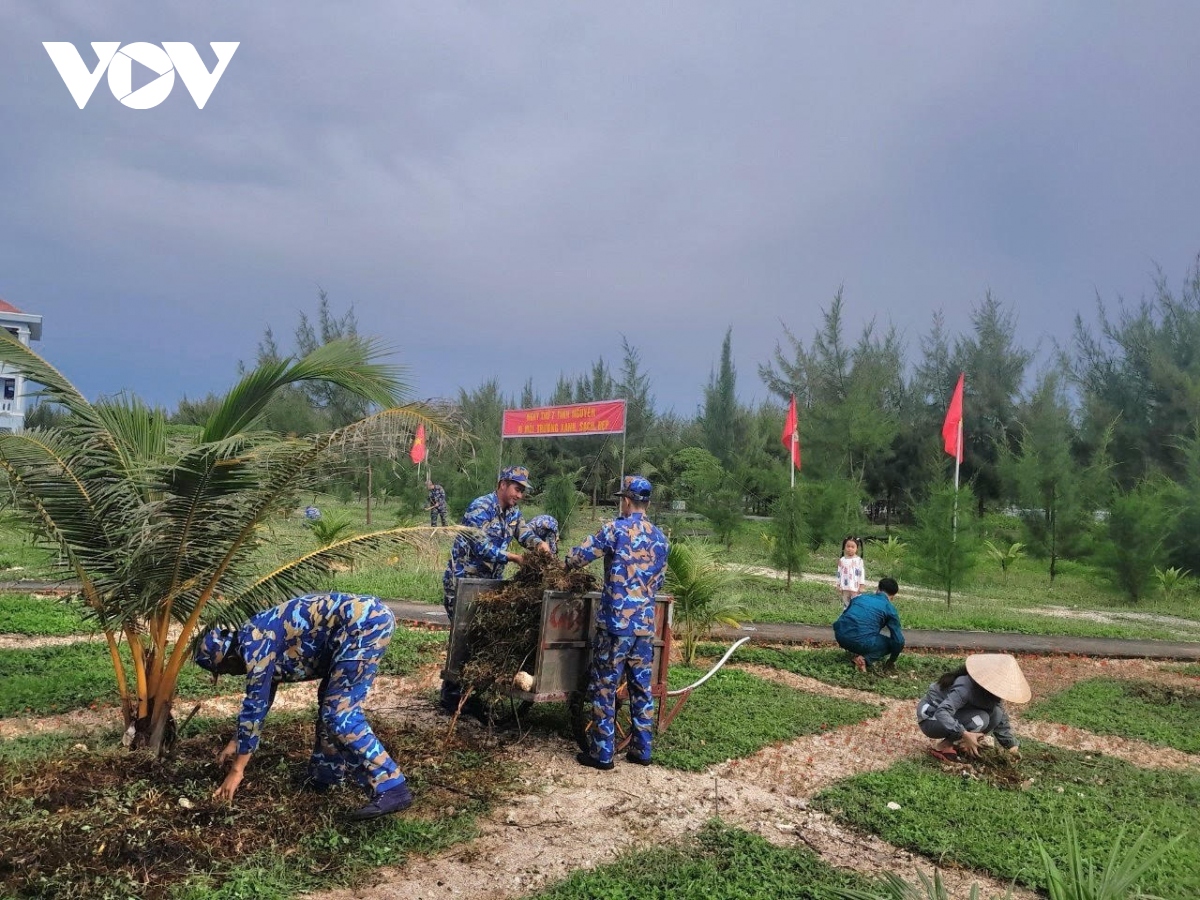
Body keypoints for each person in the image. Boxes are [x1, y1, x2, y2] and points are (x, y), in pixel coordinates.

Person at [193, 592, 412, 820]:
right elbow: (265, 695)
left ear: (227, 659)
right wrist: (236, 742)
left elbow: (255, 705)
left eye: (226, 671)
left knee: (339, 712)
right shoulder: (252, 638)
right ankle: (325, 775)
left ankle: (392, 787)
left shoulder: (254, 646)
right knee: (329, 703)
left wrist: (237, 771)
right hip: (353, 627)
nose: (232, 674)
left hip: (364, 625)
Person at [565, 475, 669, 771]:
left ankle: (602, 754)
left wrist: (566, 561)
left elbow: (578, 557)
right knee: (640, 689)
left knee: (604, 687)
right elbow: (658, 582)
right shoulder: (661, 538)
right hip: (644, 627)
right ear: (646, 502)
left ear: (625, 500)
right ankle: (641, 751)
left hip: (615, 627)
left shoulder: (614, 529)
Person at [439, 465, 550, 715]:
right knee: (463, 637)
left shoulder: (513, 513)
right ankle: (451, 697)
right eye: (516, 489)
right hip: (463, 581)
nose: (519, 495)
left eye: (522, 491)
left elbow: (525, 533)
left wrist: (539, 544)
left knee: (481, 638)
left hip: (488, 585)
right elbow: (481, 547)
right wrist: (513, 558)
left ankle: (470, 695)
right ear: (502, 484)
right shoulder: (480, 508)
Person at [916, 653, 1030, 762]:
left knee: (997, 714)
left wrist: (1012, 745)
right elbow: (942, 711)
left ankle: (962, 745)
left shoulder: (991, 693)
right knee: (981, 719)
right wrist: (964, 733)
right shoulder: (965, 687)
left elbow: (1001, 719)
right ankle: (943, 746)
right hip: (931, 719)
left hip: (955, 715)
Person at [833, 576, 905, 673]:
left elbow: (845, 615)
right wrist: (892, 660)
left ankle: (855, 649)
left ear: (878, 589)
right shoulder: (890, 609)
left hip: (840, 636)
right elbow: (899, 641)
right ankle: (863, 660)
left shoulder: (860, 598)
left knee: (864, 633)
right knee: (892, 644)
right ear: (892, 596)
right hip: (860, 641)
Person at [836, 535, 866, 608]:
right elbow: (839, 573)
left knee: (855, 604)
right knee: (846, 603)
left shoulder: (859, 560)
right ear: (844, 547)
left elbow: (861, 574)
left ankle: (854, 617)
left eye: (852, 547)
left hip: (855, 588)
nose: (850, 548)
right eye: (848, 546)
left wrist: (861, 586)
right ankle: (846, 615)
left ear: (857, 548)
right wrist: (838, 584)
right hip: (845, 587)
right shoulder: (842, 560)